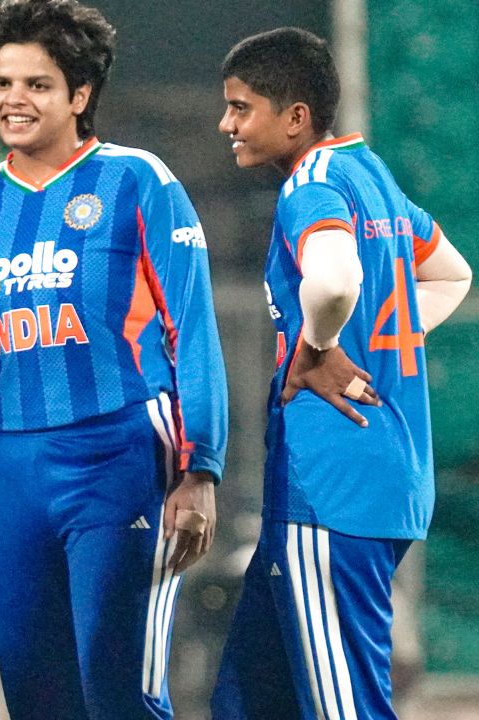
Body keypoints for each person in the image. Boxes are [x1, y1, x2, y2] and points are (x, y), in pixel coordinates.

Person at [0, 2, 229, 718]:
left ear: (80, 95)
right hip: (4, 471)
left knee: (118, 690)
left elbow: (190, 327)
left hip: (116, 455)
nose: (13, 99)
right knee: (35, 697)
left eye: (37, 84)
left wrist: (199, 468)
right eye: (2, 82)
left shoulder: (137, 180)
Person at [211, 28, 471, 720]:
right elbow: (452, 274)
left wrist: (319, 345)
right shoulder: (369, 174)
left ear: (296, 116)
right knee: (249, 698)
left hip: (329, 488)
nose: (227, 124)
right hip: (383, 477)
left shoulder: (312, 186)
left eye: (241, 107)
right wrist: (384, 338)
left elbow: (332, 282)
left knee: (344, 706)